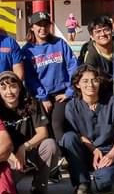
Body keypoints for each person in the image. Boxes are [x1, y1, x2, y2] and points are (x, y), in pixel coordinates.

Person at [58, 64, 114, 194]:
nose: (90, 85)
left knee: (105, 183)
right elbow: (77, 134)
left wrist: (112, 154)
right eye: (85, 81)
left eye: (94, 80)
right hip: (84, 152)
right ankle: (82, 183)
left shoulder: (113, 102)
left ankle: (101, 178)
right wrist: (93, 149)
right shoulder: (72, 106)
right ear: (77, 84)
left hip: (108, 152)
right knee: (68, 137)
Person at [0, 71, 58, 194]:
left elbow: (43, 133)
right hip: (9, 157)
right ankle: (9, 187)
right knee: (2, 183)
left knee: (50, 145)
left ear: (20, 88)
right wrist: (9, 155)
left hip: (31, 152)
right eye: (4, 88)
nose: (9, 92)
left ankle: (39, 187)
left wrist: (23, 147)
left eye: (13, 86)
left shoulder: (32, 103)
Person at [21, 11, 78, 143]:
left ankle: (64, 152)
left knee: (57, 123)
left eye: (46, 25)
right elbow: (30, 78)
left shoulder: (59, 44)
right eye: (39, 25)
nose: (43, 28)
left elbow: (73, 67)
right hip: (40, 96)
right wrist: (43, 98)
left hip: (61, 94)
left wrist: (69, 91)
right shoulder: (27, 50)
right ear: (32, 27)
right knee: (43, 128)